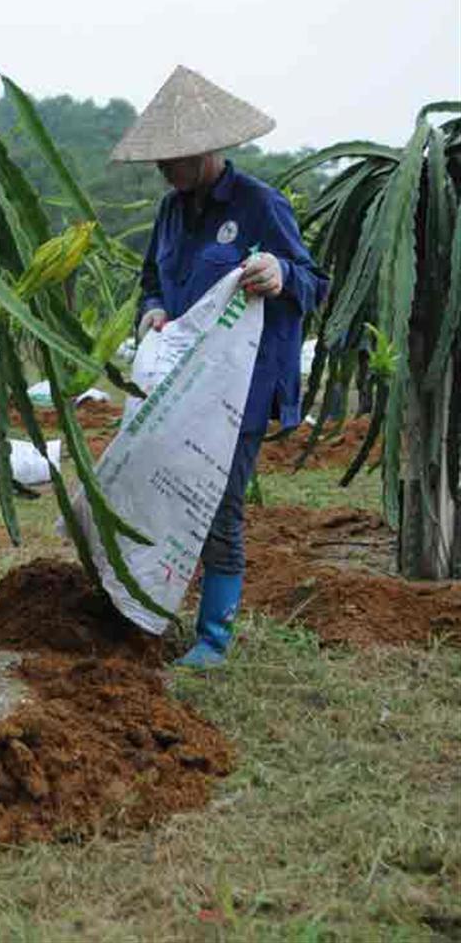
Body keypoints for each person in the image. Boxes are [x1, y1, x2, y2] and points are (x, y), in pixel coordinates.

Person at [112, 66, 330, 668]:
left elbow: (315, 281)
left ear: (207, 150)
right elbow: (152, 279)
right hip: (178, 386)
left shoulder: (262, 206)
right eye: (159, 162)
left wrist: (282, 276)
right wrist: (153, 311)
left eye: (174, 159)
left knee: (220, 504)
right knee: (161, 491)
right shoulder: (170, 211)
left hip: (242, 388)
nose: (165, 171)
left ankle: (213, 637)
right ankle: (152, 608)